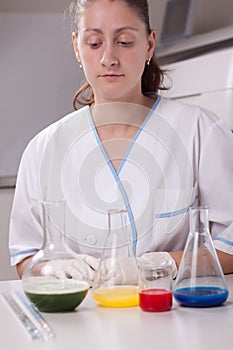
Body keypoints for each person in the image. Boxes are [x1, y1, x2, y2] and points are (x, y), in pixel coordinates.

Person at [9, 0, 233, 283]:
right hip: (83, 320)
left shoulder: (200, 131)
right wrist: (51, 269)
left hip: (176, 317)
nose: (109, 58)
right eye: (94, 43)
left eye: (125, 41)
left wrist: (161, 264)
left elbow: (230, 244)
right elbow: (25, 255)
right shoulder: (42, 150)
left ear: (149, 45)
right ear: (77, 47)